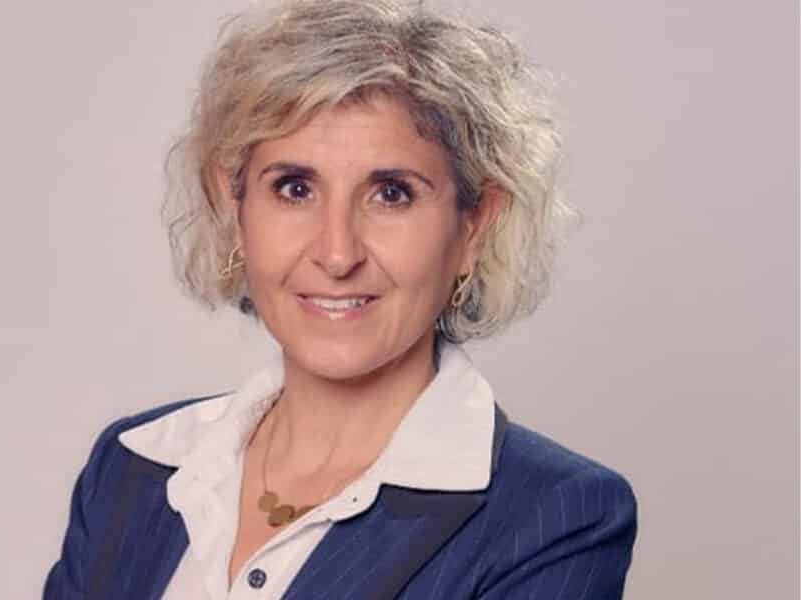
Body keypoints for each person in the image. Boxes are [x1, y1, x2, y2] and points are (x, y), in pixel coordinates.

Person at [43, 1, 638, 598]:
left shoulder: (553, 520)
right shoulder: (134, 468)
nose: (336, 254)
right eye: (294, 188)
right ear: (233, 208)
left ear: (474, 227)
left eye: (392, 194)